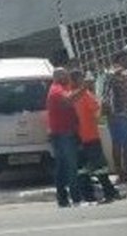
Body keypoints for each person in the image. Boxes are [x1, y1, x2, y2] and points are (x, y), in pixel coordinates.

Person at [71, 71, 121, 204]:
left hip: (76, 138)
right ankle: (109, 192)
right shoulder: (86, 96)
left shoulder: (69, 97)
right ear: (79, 80)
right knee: (100, 167)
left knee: (82, 169)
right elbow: (99, 118)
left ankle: (87, 195)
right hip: (90, 136)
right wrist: (105, 111)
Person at [47, 68, 85, 208]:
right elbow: (68, 100)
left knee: (63, 167)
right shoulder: (57, 90)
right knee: (70, 166)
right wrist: (83, 88)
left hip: (63, 132)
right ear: (58, 77)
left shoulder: (61, 88)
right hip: (63, 133)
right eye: (65, 74)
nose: (68, 76)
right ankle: (76, 198)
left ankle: (63, 199)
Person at [102, 50, 127, 183]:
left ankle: (121, 172)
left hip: (116, 114)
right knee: (124, 144)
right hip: (121, 113)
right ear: (121, 59)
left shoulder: (110, 74)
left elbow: (105, 96)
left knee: (119, 144)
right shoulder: (121, 74)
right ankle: (124, 173)